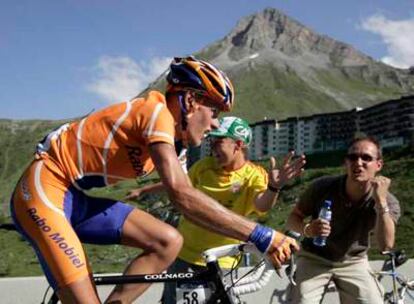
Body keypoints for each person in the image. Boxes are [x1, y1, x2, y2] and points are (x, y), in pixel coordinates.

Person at [10, 56, 298, 304]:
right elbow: (182, 195)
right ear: (191, 101)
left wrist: (246, 237)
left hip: (75, 198)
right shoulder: (156, 111)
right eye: (214, 112)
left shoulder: (178, 146)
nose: (214, 124)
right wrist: (261, 235)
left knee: (168, 241)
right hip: (44, 188)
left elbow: (195, 206)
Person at [286, 136, 401, 304]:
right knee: (302, 301)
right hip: (314, 257)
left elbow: (386, 245)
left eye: (366, 158)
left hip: (353, 261)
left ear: (378, 165)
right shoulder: (323, 187)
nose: (358, 163)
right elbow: (293, 218)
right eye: (353, 157)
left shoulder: (388, 201)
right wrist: (308, 229)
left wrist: (380, 202)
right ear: (345, 163)